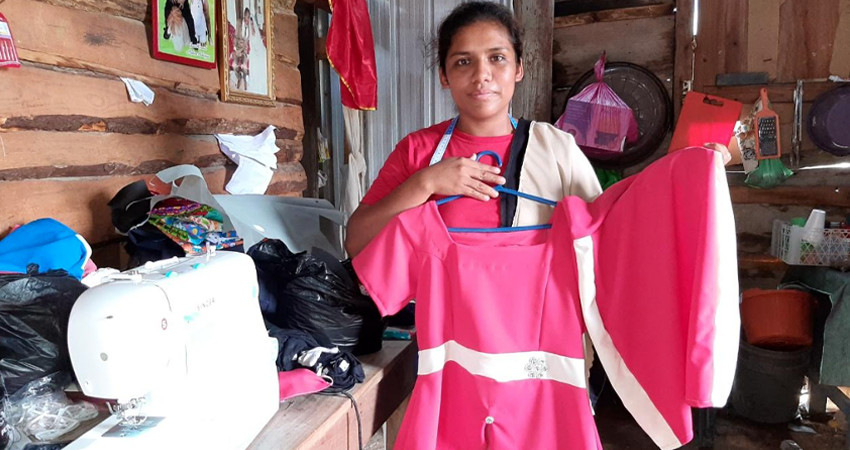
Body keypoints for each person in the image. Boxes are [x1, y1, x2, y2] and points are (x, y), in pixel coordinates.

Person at [345, 1, 603, 258]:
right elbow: (356, 242)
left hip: (540, 300)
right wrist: (425, 183)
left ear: (518, 68)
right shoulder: (417, 150)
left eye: (497, 58)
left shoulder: (556, 150)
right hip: (435, 301)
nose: (482, 75)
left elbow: (600, 244)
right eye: (463, 62)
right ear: (444, 76)